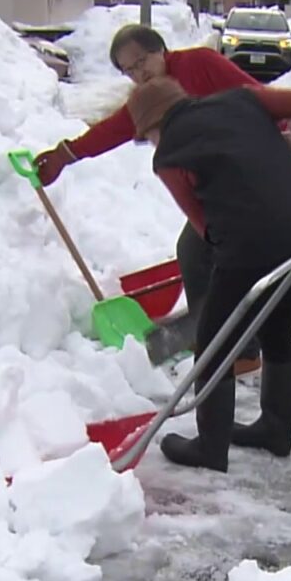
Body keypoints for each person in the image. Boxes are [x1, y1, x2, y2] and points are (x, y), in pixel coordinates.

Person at [31, 24, 273, 374]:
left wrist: (281, 143)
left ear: (161, 50)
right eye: (128, 70)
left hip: (250, 179)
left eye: (142, 61)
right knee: (196, 254)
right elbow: (115, 127)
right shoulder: (151, 96)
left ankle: (235, 349)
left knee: (214, 257)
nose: (138, 73)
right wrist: (65, 155)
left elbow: (257, 96)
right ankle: (227, 343)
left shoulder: (199, 64)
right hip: (219, 188)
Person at [125, 76, 291, 472]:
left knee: (212, 345)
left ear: (153, 127)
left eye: (148, 137)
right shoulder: (241, 101)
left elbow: (203, 224)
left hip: (249, 245)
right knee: (279, 330)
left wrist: (223, 268)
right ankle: (275, 430)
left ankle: (210, 447)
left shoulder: (169, 156)